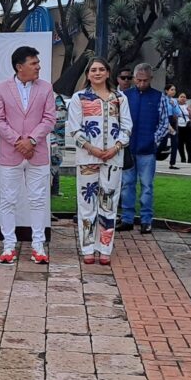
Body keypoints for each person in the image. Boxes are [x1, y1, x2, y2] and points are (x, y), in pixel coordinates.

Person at [0, 46, 57, 264]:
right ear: (20, 67)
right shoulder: (1, 89)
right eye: (33, 63)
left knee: (38, 200)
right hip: (11, 153)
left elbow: (49, 119)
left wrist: (32, 140)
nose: (38, 67)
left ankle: (38, 245)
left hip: (37, 153)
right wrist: (19, 141)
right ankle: (9, 245)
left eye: (38, 63)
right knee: (8, 200)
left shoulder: (46, 88)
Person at [67, 58, 131, 265]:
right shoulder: (79, 98)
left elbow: (127, 127)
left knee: (109, 204)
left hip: (114, 159)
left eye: (101, 69)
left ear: (107, 73)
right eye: (93, 70)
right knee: (86, 204)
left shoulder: (119, 98)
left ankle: (104, 248)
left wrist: (115, 148)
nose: (97, 73)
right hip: (87, 158)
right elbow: (75, 129)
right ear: (87, 74)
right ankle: (87, 248)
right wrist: (93, 149)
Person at [120, 63, 170, 234]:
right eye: (138, 80)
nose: (141, 83)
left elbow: (164, 123)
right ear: (134, 78)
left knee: (147, 185)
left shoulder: (159, 97)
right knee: (127, 184)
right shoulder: (125, 96)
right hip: (128, 147)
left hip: (147, 149)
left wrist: (153, 140)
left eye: (145, 80)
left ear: (151, 79)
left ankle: (146, 220)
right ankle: (126, 218)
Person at [50, 93, 67, 197]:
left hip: (55, 139)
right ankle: (53, 191)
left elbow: (61, 116)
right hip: (50, 138)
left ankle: (54, 191)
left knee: (55, 164)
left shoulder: (56, 97)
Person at [165, 84, 181, 169]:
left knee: (175, 141)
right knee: (162, 141)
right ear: (166, 91)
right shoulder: (163, 100)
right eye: (171, 89)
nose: (174, 91)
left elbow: (178, 113)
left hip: (172, 121)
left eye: (174, 90)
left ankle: (172, 163)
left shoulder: (174, 101)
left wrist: (174, 105)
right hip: (165, 121)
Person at [176, 93, 191, 163]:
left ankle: (190, 158)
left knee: (188, 143)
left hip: (187, 126)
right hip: (179, 126)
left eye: (184, 97)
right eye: (181, 97)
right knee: (180, 143)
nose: (183, 98)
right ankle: (183, 158)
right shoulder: (176, 106)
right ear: (178, 98)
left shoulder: (187, 107)